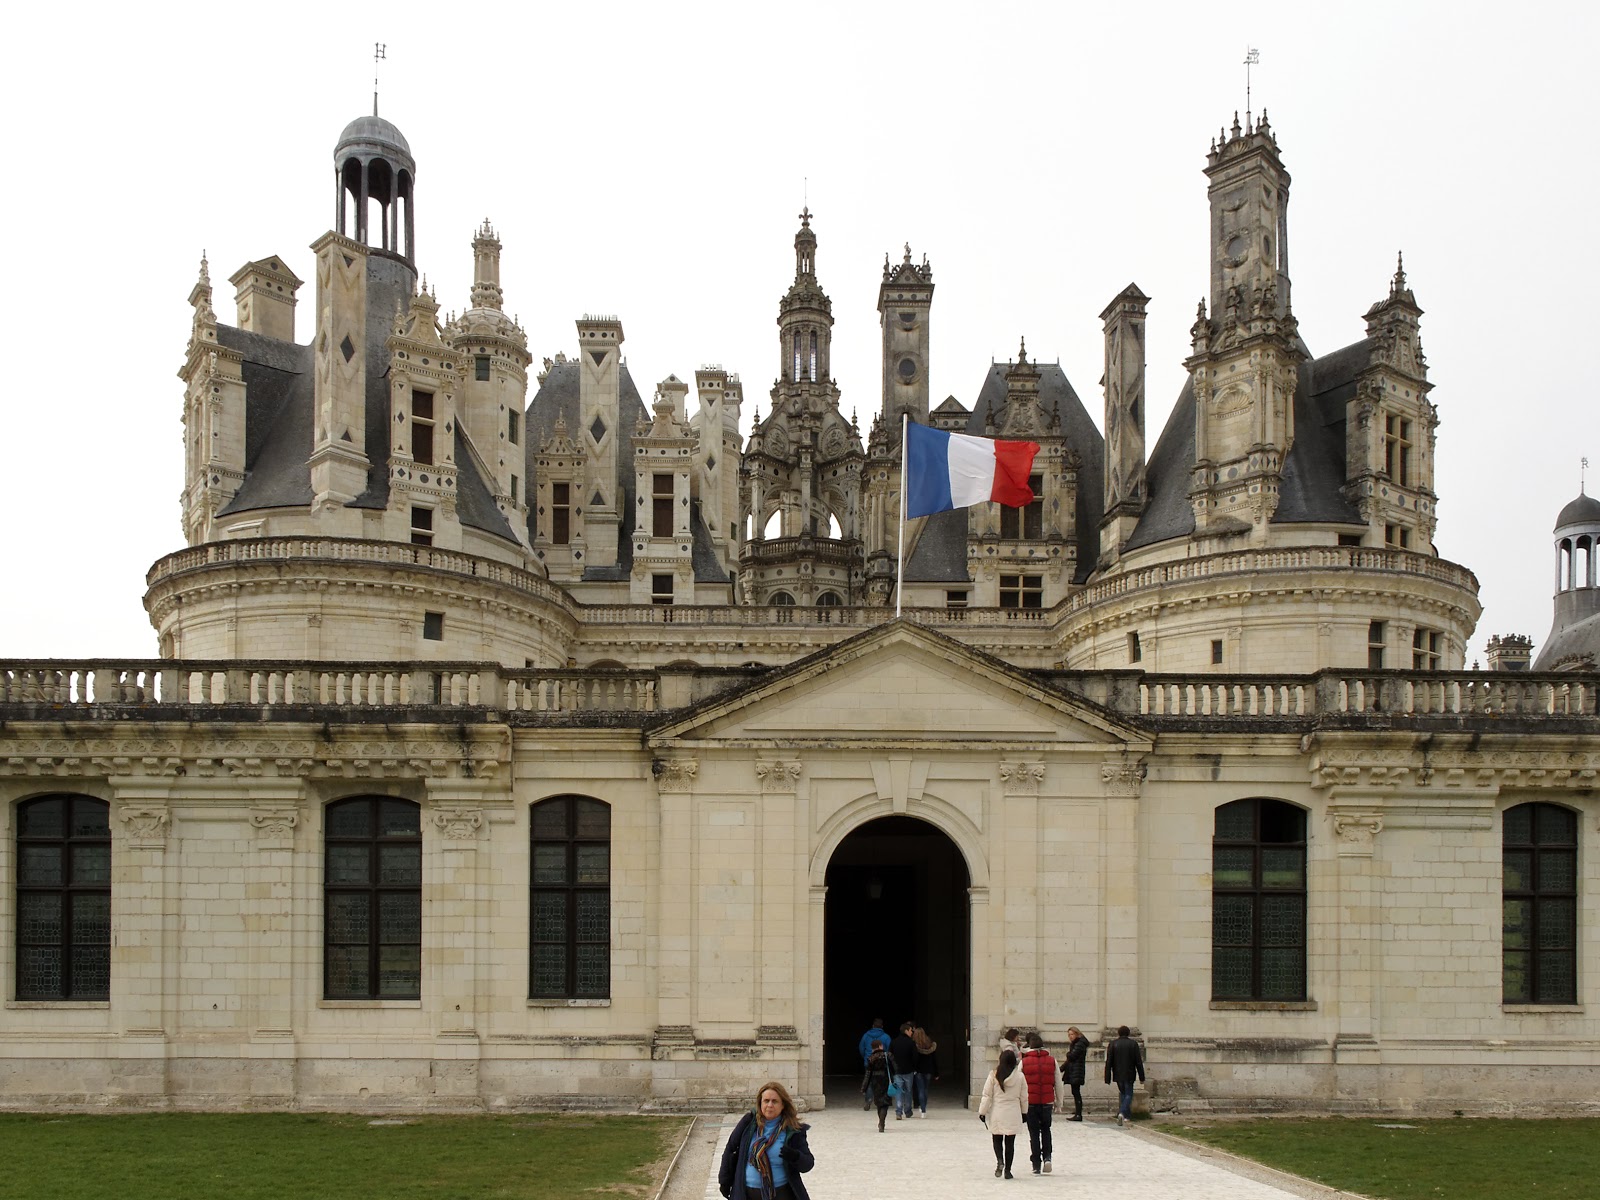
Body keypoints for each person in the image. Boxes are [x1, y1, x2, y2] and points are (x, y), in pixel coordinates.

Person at [718, 1080, 815, 1200]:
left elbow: (808, 1164)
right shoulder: (748, 1123)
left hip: (781, 1194)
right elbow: (730, 1149)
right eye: (766, 1101)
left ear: (783, 1105)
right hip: (746, 1193)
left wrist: (795, 1156)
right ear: (760, 1103)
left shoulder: (793, 1130)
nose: (770, 1105)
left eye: (774, 1101)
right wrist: (724, 1181)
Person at [978, 1047, 1028, 1179]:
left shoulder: (993, 1075)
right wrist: (1024, 1112)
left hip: (997, 1111)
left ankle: (1000, 1160)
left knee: (997, 1138)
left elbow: (987, 1095)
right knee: (1010, 1143)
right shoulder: (1020, 1077)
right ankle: (1008, 1170)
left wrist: (982, 1112)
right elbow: (1024, 1097)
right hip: (1013, 1111)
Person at [1020, 1031, 1057, 1174]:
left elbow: (1019, 1084)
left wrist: (1020, 1103)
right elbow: (1058, 1083)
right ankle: (1047, 1157)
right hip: (1047, 1101)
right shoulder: (1052, 1060)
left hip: (1031, 1102)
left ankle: (1036, 1163)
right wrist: (1059, 1101)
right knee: (1046, 1130)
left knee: (1034, 1133)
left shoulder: (1024, 1062)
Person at [1104, 1024, 1144, 1126]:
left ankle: (1127, 1116)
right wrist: (1141, 1076)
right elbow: (1138, 1062)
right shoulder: (1133, 1044)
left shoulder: (1113, 1044)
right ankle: (1122, 1113)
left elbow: (1109, 1062)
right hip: (1130, 1073)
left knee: (1123, 1093)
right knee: (1128, 1094)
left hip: (1117, 1074)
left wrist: (1107, 1077)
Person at [857, 1018, 891, 1109]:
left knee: (869, 1082)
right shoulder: (886, 1037)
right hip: (882, 1062)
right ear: (882, 1027)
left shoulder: (866, 1036)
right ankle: (881, 1100)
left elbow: (861, 1047)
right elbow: (889, 1049)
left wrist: (865, 1056)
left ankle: (868, 1101)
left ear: (872, 1026)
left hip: (869, 1060)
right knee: (882, 1082)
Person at [888, 1021, 918, 1121]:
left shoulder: (894, 1042)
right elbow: (915, 1057)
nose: (912, 1032)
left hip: (897, 1071)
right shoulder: (911, 1043)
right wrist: (914, 1068)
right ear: (906, 1031)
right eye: (910, 1030)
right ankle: (908, 1111)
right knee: (908, 1091)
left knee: (899, 1092)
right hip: (908, 1070)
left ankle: (899, 1112)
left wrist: (892, 1068)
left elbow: (890, 1056)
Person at [862, 1042, 894, 1132]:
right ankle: (882, 1121)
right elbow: (895, 1068)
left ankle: (881, 1121)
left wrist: (864, 1087)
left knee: (878, 1102)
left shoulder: (871, 1058)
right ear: (881, 1046)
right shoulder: (888, 1055)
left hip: (875, 1082)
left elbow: (868, 1074)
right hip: (886, 1080)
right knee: (885, 1102)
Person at [1060, 1026, 1088, 1121]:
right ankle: (1077, 1112)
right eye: (1069, 1035)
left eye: (1072, 1034)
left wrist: (1068, 1054)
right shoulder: (1077, 1043)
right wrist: (1062, 1068)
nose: (1070, 1036)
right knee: (1075, 1092)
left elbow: (1072, 1056)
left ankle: (1078, 1114)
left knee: (1076, 1092)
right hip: (1074, 1070)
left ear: (1077, 1033)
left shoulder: (1079, 1044)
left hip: (1076, 1070)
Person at [911, 1025, 939, 1117]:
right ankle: (924, 1109)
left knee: (920, 1090)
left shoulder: (915, 1046)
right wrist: (936, 1073)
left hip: (918, 1070)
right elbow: (934, 1060)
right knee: (925, 1090)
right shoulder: (930, 1045)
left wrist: (913, 1069)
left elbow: (914, 1059)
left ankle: (922, 1109)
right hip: (928, 1070)